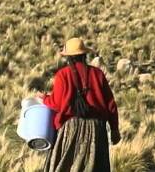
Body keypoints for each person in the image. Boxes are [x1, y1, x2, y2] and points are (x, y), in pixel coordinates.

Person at [38, 38, 121, 172]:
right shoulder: (98, 74)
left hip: (71, 129)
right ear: (84, 55)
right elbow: (110, 104)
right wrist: (114, 129)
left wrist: (45, 98)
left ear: (68, 57)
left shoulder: (62, 75)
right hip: (97, 129)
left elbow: (56, 103)